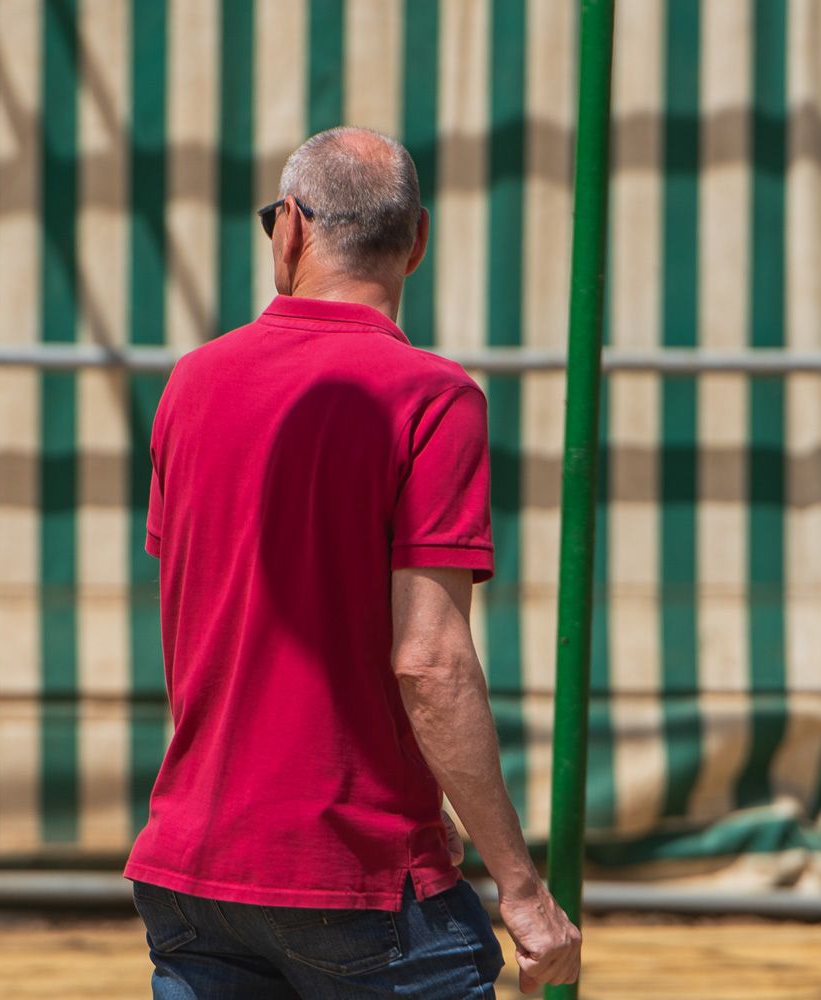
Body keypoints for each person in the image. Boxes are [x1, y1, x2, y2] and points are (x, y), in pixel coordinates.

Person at [124, 126, 581, 998]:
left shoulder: (191, 385)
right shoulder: (433, 399)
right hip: (360, 881)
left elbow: (207, 623)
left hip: (192, 868)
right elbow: (432, 661)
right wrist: (523, 893)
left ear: (288, 228)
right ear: (418, 240)